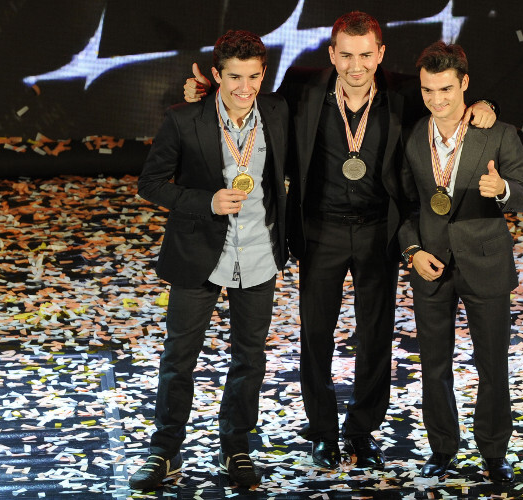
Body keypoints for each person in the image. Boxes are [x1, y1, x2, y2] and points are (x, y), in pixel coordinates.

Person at [184, 12, 496, 470]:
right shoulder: (302, 86)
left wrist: (489, 106)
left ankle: (362, 429)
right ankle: (323, 432)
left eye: (366, 55)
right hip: (320, 229)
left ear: (381, 55)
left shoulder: (407, 92)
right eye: (346, 55)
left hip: (379, 231)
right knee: (316, 335)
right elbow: (253, 102)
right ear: (331, 54)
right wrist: (208, 94)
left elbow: (452, 97)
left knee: (375, 335)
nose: (356, 65)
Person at [131, 30, 289, 490]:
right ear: (215, 75)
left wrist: (485, 105)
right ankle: (164, 451)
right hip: (198, 255)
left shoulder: (279, 112)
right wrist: (206, 201)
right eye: (234, 77)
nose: (245, 88)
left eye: (254, 76)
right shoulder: (184, 119)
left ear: (264, 74)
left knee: (249, 359)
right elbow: (151, 183)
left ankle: (236, 447)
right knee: (179, 357)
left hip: (259, 253)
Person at [398, 41, 523, 482]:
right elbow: (402, 205)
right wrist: (412, 252)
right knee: (434, 365)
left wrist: (504, 192)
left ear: (465, 85)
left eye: (446, 90)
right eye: (428, 91)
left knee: (492, 364)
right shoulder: (413, 135)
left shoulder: (498, 133)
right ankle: (442, 448)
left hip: (486, 262)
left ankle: (494, 452)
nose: (437, 101)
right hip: (431, 266)